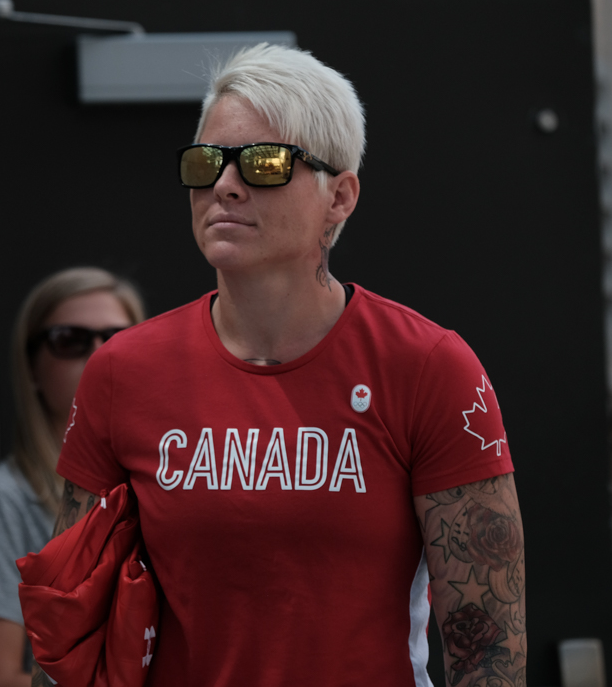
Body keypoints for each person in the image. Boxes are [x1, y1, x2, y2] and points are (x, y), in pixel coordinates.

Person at [36, 44, 525, 686]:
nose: (225, 184)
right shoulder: (121, 372)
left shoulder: (429, 368)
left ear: (339, 197)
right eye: (205, 162)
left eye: (265, 162)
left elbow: (487, 651)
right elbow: (68, 628)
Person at [0, 267, 145, 687]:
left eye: (118, 340)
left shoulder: (165, 488)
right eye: (69, 340)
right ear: (31, 367)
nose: (98, 355)